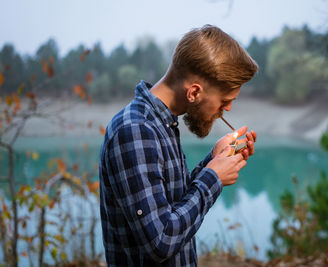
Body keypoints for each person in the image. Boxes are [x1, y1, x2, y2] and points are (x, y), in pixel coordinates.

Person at [99, 24, 258, 267]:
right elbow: (161, 241)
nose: (228, 109)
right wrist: (213, 178)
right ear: (194, 92)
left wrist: (213, 159)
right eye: (224, 100)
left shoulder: (160, 124)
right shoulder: (136, 130)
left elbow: (172, 205)